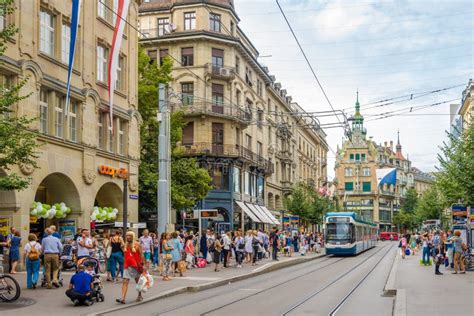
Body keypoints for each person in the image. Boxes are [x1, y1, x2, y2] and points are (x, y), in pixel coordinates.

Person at [116, 231, 144, 304]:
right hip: (127, 266)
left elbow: (142, 255)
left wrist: (143, 266)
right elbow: (124, 253)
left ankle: (140, 295)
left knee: (137, 281)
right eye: (127, 236)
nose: (128, 237)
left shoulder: (137, 244)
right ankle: (123, 298)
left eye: (130, 236)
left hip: (136, 266)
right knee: (125, 281)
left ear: (133, 237)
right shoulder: (125, 245)